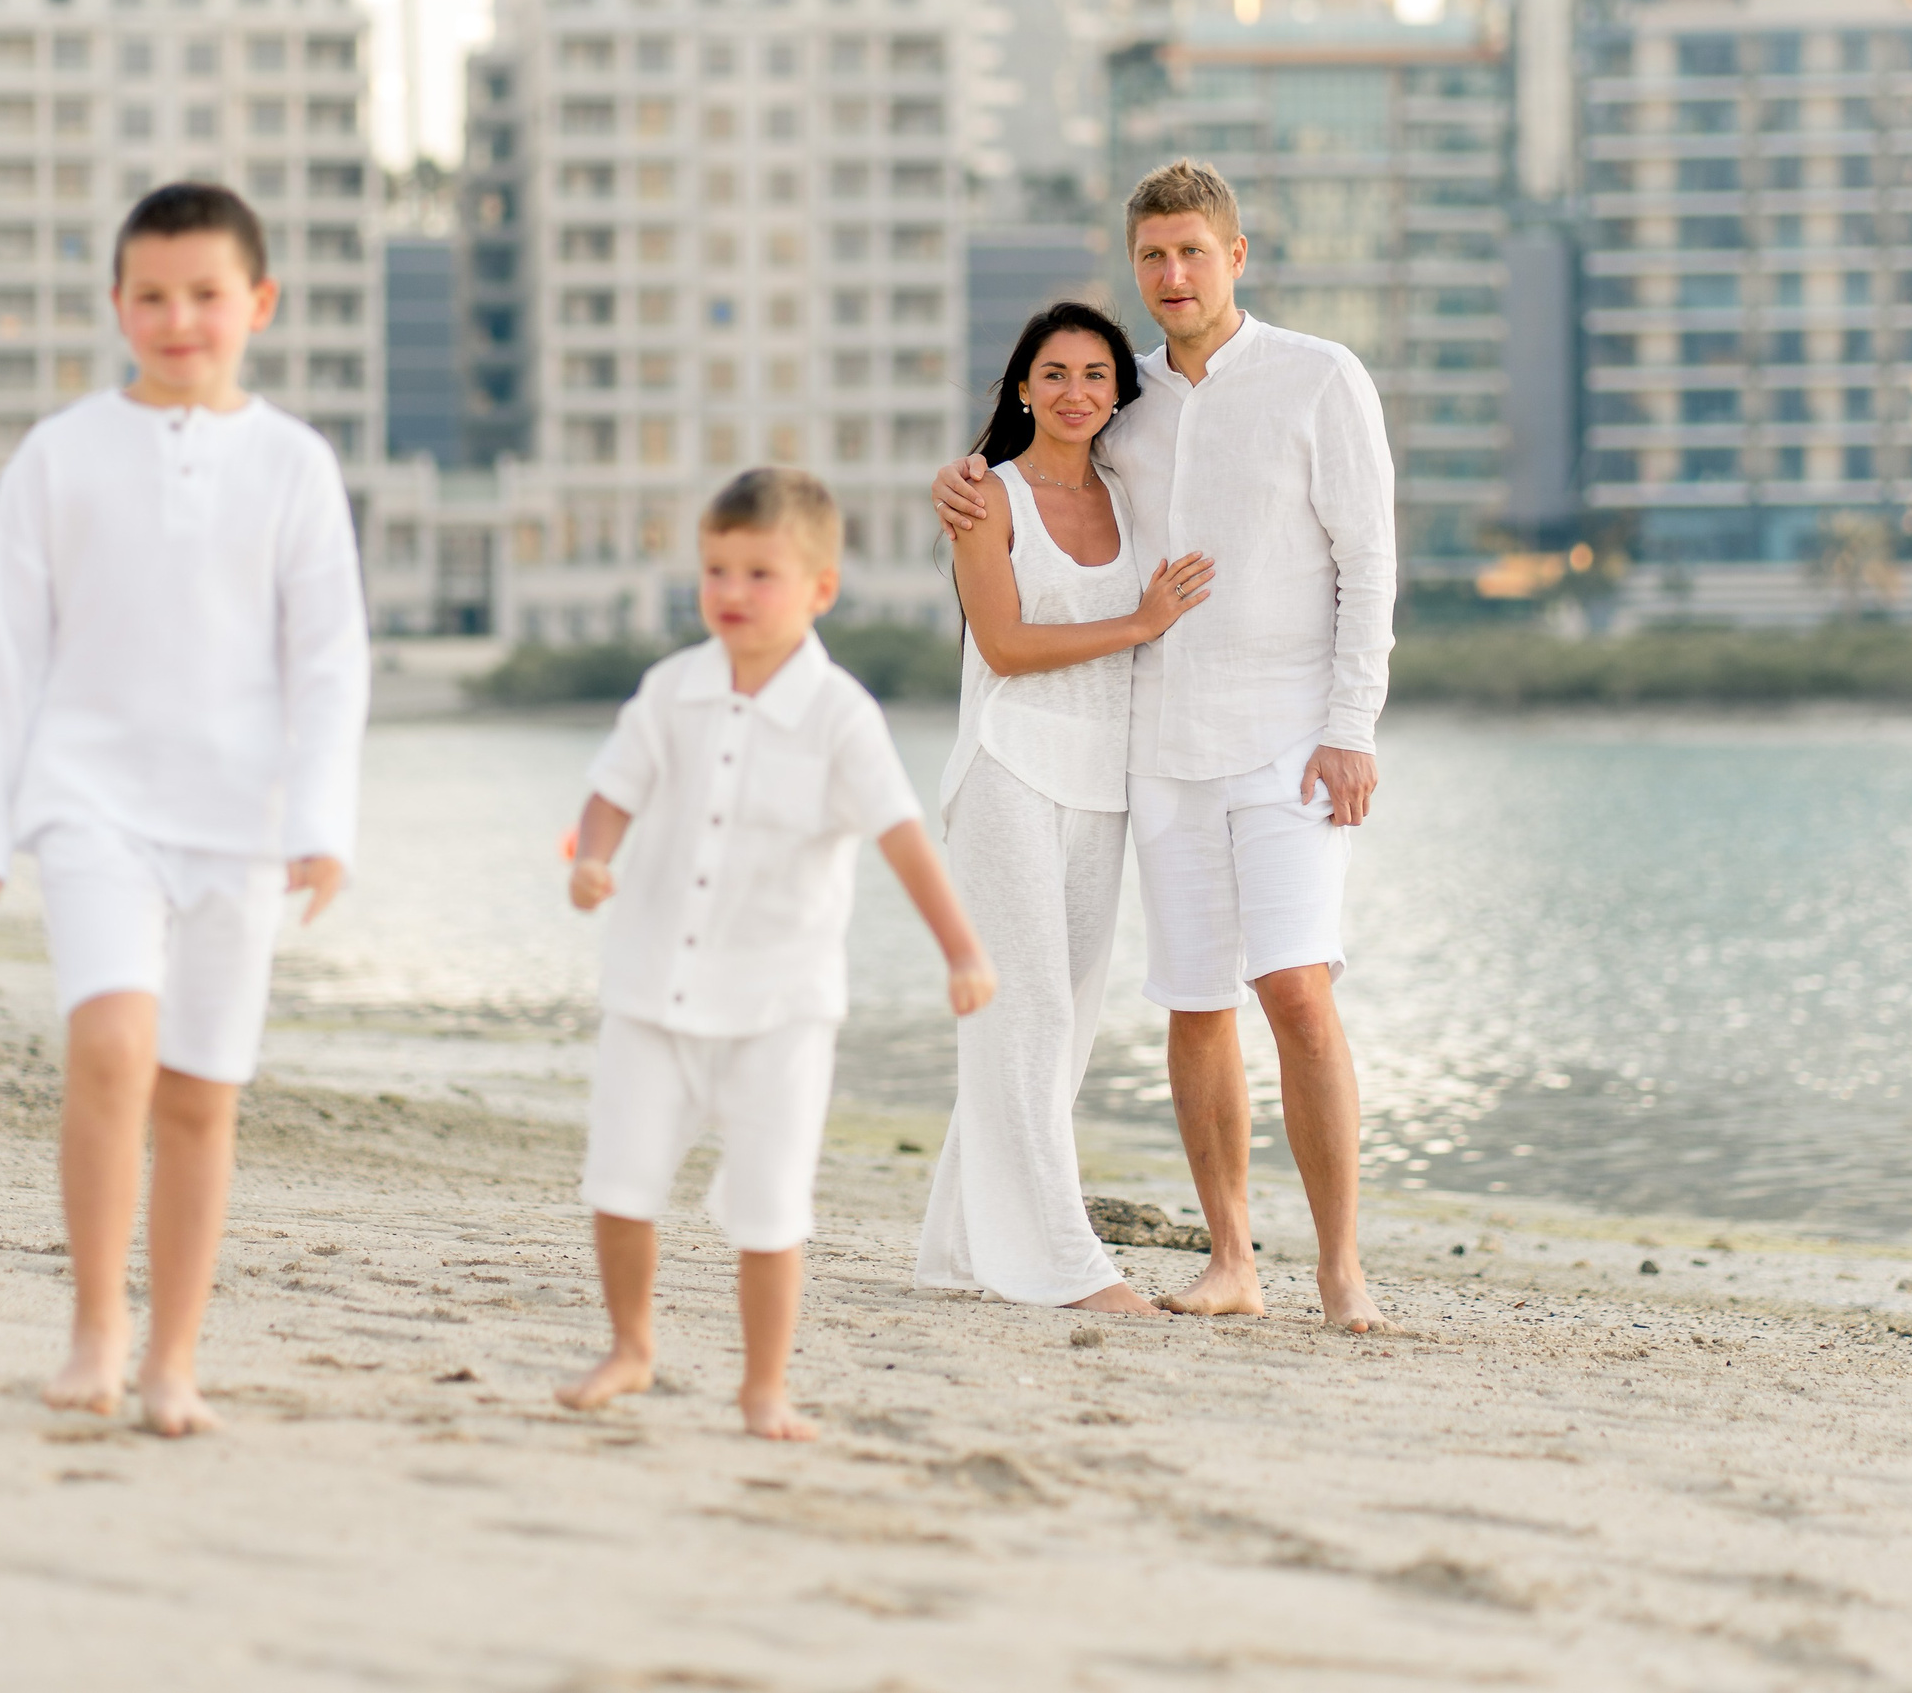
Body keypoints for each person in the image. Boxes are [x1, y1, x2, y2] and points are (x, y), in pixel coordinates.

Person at [0, 183, 370, 1435]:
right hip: (89, 801)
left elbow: (330, 657)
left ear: (258, 304)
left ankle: (173, 1355)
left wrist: (320, 817)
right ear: (119, 306)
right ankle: (94, 1325)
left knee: (197, 1094)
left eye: (207, 295)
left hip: (241, 817)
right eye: (153, 297)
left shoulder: (294, 461)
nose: (180, 319)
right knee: (113, 1046)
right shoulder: (60, 452)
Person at [933, 160, 1396, 1333]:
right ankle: (1232, 1259)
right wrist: (963, 474)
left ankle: (1340, 1271)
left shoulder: (1318, 378)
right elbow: (1045, 463)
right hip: (1158, 750)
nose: (1172, 274)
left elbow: (1368, 562)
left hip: (1292, 741)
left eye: (1193, 251)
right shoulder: (1123, 397)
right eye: (1151, 256)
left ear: (1236, 256)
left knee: (1294, 988)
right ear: (1134, 266)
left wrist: (1352, 728)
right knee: (1194, 1002)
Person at [557, 468, 997, 1440]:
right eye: (717, 569)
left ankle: (764, 1388)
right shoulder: (670, 688)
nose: (732, 592)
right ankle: (631, 1346)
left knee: (770, 1206)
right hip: (650, 989)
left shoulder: (840, 714)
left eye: (760, 572)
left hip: (780, 1005)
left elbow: (902, 839)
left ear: (818, 589)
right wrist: (594, 857)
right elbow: (612, 787)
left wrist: (961, 950)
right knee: (620, 1182)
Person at [914, 303, 1212, 1315]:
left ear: (1115, 394)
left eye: (1095, 373)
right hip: (1006, 771)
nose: (1076, 390)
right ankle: (1067, 1265)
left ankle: (963, 1243)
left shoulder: (1134, 493)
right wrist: (1139, 622)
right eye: (1054, 372)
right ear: (1022, 388)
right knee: (1029, 1013)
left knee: (1062, 1029)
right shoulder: (986, 497)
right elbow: (1001, 646)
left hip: (1102, 783)